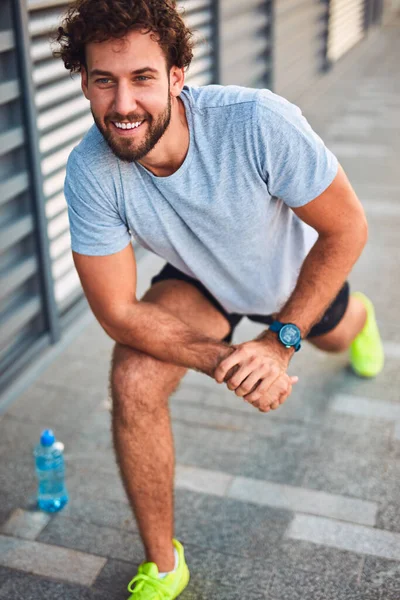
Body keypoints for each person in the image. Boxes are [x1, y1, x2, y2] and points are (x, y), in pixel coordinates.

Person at [55, 0, 384, 597]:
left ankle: (360, 321)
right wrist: (227, 361)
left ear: (177, 77)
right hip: (200, 278)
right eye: (104, 80)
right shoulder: (89, 171)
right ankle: (163, 563)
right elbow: (118, 313)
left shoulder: (256, 122)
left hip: (290, 276)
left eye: (142, 79)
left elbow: (348, 229)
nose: (122, 104)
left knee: (336, 332)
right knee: (134, 376)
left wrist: (279, 343)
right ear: (84, 82)